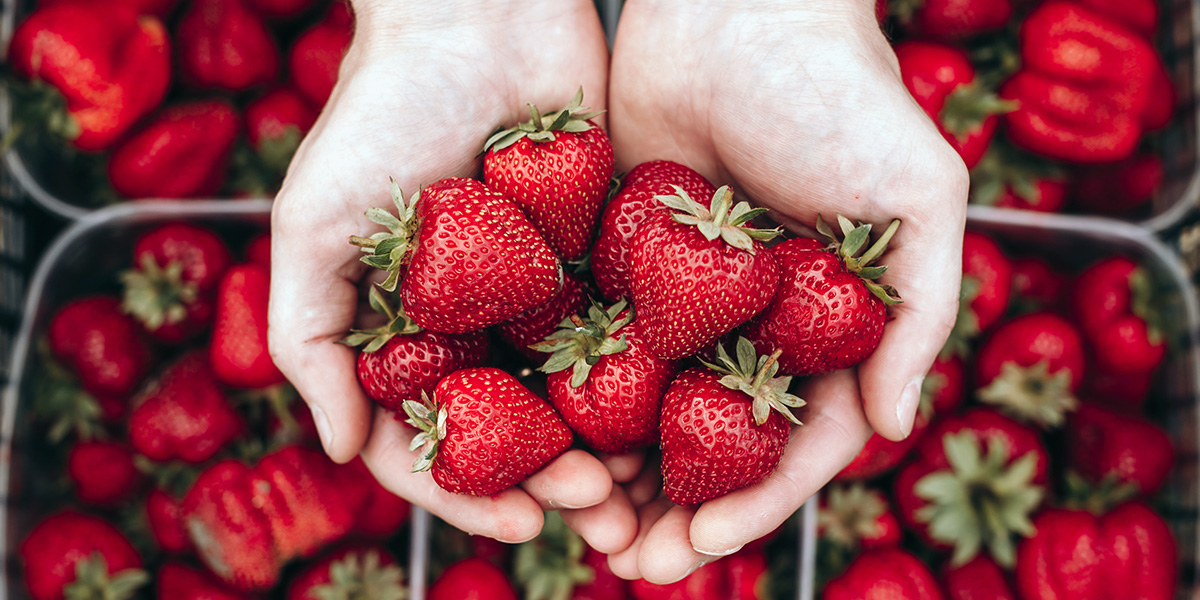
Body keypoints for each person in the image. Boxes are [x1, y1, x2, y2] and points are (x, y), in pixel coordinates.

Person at [268, 0, 967, 585]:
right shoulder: (636, 284)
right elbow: (601, 302)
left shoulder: (685, 284)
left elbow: (640, 319)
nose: (550, 274)